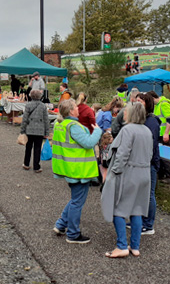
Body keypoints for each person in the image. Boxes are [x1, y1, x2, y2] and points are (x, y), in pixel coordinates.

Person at [101, 102, 152, 258]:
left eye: (126, 111)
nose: (124, 113)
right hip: (144, 173)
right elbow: (150, 154)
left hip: (129, 173)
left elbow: (122, 154)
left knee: (118, 208)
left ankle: (122, 245)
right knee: (137, 209)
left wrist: (114, 172)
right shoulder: (147, 131)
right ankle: (135, 246)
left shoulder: (127, 130)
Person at [52, 99, 102, 244]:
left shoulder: (61, 124)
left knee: (75, 199)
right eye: (76, 107)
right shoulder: (74, 126)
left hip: (69, 168)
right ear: (71, 110)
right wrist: (97, 131)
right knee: (77, 202)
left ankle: (61, 225)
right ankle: (73, 234)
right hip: (79, 170)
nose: (78, 109)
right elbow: (88, 143)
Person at [137, 93, 161, 235]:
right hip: (141, 162)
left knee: (149, 193)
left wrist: (147, 161)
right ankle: (139, 220)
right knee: (141, 192)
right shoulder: (142, 119)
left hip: (149, 162)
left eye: (140, 101)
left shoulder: (151, 122)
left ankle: (148, 224)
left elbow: (151, 144)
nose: (137, 103)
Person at [149, 91, 170, 184]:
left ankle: (169, 175)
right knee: (159, 153)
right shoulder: (157, 105)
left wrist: (166, 133)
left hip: (166, 133)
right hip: (160, 133)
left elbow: (169, 119)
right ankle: (161, 173)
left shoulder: (164, 104)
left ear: (153, 98)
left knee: (166, 154)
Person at [20, 90, 49, 173]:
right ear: (40, 96)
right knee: (37, 148)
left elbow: (25, 118)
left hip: (29, 129)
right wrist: (47, 132)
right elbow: (46, 120)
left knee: (28, 147)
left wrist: (22, 130)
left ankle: (26, 164)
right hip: (40, 130)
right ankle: (36, 166)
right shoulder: (43, 106)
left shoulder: (28, 105)